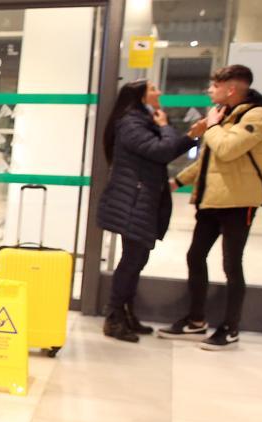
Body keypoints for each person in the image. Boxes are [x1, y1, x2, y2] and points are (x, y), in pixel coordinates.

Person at [158, 64, 262, 350]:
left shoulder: (260, 116)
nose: (209, 90)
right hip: (211, 201)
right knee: (195, 256)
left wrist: (211, 125)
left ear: (230, 89)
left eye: (214, 86)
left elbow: (227, 149)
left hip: (239, 202)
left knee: (231, 264)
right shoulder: (224, 115)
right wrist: (177, 182)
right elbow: (209, 161)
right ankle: (196, 320)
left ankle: (230, 328)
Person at [96, 80, 201, 342]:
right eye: (153, 89)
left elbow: (165, 150)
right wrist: (166, 127)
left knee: (137, 259)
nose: (159, 92)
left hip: (141, 198)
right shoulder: (131, 122)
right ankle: (114, 317)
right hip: (133, 199)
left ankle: (126, 314)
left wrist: (190, 136)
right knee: (132, 260)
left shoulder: (143, 118)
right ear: (140, 95)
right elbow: (161, 151)